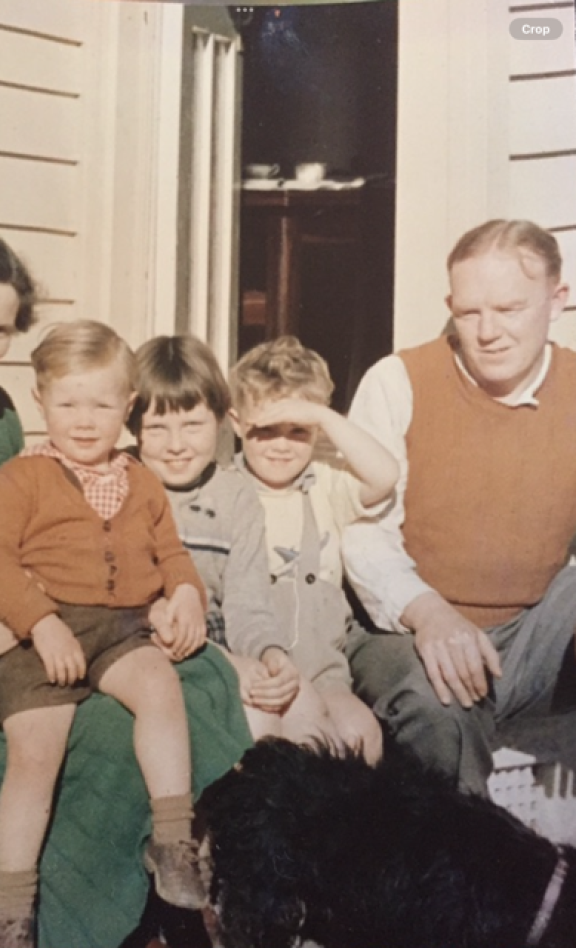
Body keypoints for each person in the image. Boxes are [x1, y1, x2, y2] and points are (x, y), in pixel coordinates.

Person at [0, 221, 251, 948]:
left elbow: (77, 533)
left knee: (195, 683)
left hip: (31, 642)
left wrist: (174, 591)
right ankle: (32, 920)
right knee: (91, 746)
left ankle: (173, 890)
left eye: (0, 329)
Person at [0, 321, 213, 946]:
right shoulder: (20, 480)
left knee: (160, 684)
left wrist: (184, 592)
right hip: (39, 635)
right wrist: (40, 623)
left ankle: (172, 840)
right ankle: (13, 911)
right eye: (68, 403)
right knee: (35, 754)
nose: (84, 420)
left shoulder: (141, 479)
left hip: (122, 632)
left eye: (102, 404)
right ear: (39, 400)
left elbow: (172, 553)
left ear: (127, 407)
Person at [342, 219, 575, 797]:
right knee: (437, 708)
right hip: (405, 629)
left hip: (531, 629)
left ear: (558, 300)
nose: (488, 332)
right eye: (470, 313)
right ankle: (464, 876)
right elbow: (361, 533)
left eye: (509, 309)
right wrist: (430, 613)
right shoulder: (399, 380)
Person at [131, 334, 341, 745]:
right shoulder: (127, 485)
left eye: (193, 425)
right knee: (259, 724)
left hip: (226, 641)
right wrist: (228, 664)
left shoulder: (237, 495)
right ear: (134, 427)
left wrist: (270, 655)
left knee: (309, 716)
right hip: (151, 645)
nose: (176, 446)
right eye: (156, 428)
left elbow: (249, 603)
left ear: (222, 420)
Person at [228, 336, 400, 762]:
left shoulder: (324, 485)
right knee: (290, 750)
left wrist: (321, 414)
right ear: (236, 424)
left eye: (298, 431)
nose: (281, 445)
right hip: (259, 676)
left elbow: (385, 474)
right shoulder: (225, 491)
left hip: (324, 674)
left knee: (361, 736)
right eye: (265, 430)